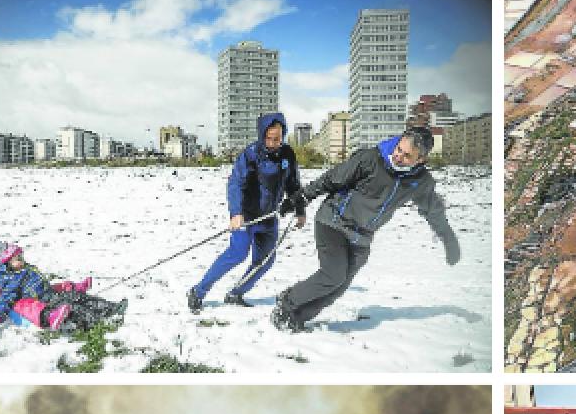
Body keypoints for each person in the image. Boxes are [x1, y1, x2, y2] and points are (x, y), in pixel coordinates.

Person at [270, 126, 461, 332]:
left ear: (420, 160)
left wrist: (449, 240)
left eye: (407, 156)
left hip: (362, 237)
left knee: (339, 287)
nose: (398, 157)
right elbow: (331, 179)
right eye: (399, 149)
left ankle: (296, 318)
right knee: (333, 275)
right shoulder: (370, 159)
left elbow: (434, 212)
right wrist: (300, 198)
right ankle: (287, 303)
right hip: (334, 221)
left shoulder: (420, 182)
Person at [186, 112, 307, 313]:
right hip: (247, 216)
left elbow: (293, 184)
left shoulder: (288, 154)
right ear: (262, 135)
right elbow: (236, 183)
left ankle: (236, 293)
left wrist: (300, 209)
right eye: (269, 138)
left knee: (265, 261)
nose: (273, 143)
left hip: (269, 218)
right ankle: (198, 292)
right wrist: (236, 213)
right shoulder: (251, 154)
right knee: (237, 254)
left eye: (278, 138)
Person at [0, 244, 126, 337]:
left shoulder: (24, 269)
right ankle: (99, 322)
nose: (22, 259)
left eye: (21, 256)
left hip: (50, 293)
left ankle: (110, 308)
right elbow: (4, 300)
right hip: (44, 300)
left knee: (76, 296)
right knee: (73, 307)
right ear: (8, 262)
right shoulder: (11, 279)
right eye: (17, 258)